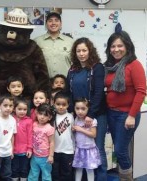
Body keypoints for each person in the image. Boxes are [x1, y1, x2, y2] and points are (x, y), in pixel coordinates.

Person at [104, 30, 146, 180]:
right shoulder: (109, 66)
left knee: (121, 150)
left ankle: (126, 178)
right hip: (111, 113)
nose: (116, 49)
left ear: (127, 46)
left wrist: (131, 115)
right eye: (113, 46)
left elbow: (141, 91)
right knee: (118, 147)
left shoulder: (134, 65)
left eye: (120, 46)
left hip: (126, 115)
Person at [66, 37, 107, 180]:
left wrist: (91, 113)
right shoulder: (72, 69)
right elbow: (69, 92)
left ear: (90, 51)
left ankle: (100, 177)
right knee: (80, 147)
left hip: (95, 114)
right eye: (78, 51)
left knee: (98, 148)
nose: (81, 53)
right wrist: (72, 111)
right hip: (78, 115)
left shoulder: (97, 67)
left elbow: (98, 92)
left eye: (84, 50)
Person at [34, 12, 73, 78]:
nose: (53, 23)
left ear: (61, 24)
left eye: (56, 20)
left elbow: (75, 65)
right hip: (43, 84)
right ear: (46, 24)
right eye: (50, 21)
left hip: (65, 84)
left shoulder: (70, 42)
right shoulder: (37, 42)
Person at [72, 98, 101, 181]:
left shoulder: (92, 121)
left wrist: (80, 129)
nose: (80, 111)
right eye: (77, 109)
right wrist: (74, 129)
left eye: (83, 109)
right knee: (78, 169)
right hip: (79, 149)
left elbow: (93, 134)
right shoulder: (76, 119)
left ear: (88, 109)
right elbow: (75, 132)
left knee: (89, 170)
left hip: (89, 149)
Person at [28, 103, 55, 181]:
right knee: (33, 173)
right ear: (37, 113)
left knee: (46, 175)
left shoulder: (49, 128)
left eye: (45, 115)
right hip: (34, 155)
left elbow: (52, 142)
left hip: (45, 157)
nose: (42, 117)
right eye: (40, 114)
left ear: (49, 118)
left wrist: (51, 156)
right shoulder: (34, 124)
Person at [52, 91, 75, 181]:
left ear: (68, 105)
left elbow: (73, 134)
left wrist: (74, 148)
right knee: (55, 173)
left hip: (68, 150)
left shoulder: (71, 117)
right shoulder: (52, 116)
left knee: (67, 173)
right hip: (54, 150)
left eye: (63, 104)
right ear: (53, 103)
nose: (61, 107)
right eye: (58, 104)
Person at [12, 98, 32, 181]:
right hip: (13, 151)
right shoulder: (11, 119)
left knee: (24, 170)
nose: (22, 111)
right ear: (14, 109)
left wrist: (29, 149)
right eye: (19, 109)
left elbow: (30, 136)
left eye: (24, 109)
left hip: (25, 151)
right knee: (14, 169)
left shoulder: (29, 121)